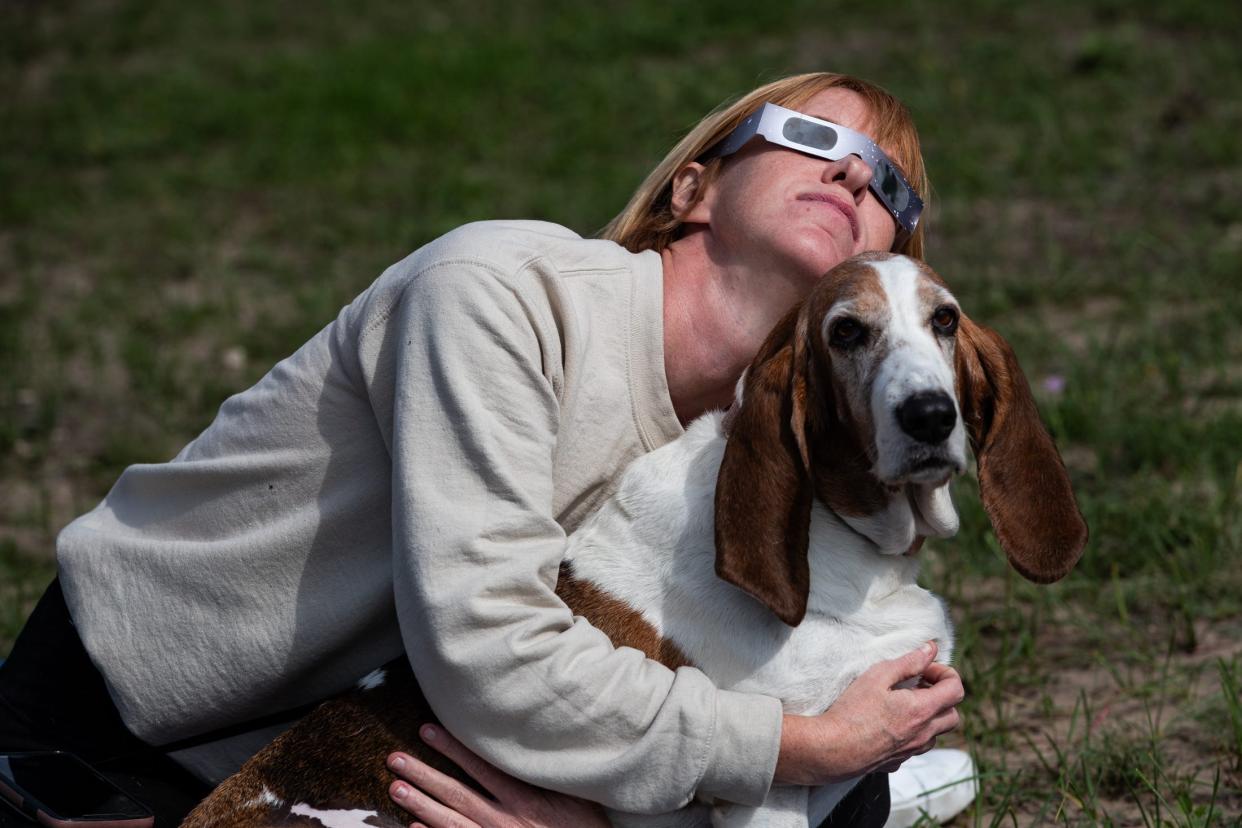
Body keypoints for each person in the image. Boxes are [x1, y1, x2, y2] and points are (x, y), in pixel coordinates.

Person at [0, 72, 964, 828]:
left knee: (853, 804)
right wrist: (799, 749)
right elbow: (488, 644)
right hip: (112, 735)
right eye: (815, 139)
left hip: (389, 745)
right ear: (692, 185)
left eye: (888, 185)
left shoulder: (747, 443)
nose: (852, 174)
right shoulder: (499, 292)